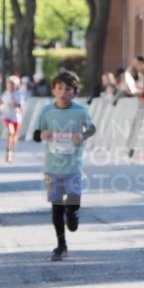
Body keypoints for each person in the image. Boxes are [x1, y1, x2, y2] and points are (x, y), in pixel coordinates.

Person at [33, 69, 96, 261]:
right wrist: (42, 135)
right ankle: (61, 245)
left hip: (74, 167)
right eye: (59, 88)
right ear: (53, 90)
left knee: (73, 204)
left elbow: (91, 128)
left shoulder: (80, 111)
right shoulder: (46, 111)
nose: (63, 92)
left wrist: (82, 136)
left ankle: (73, 214)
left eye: (68, 89)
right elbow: (36, 135)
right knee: (56, 207)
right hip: (52, 167)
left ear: (75, 92)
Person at [0, 76, 25, 163]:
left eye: (12, 85)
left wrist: (15, 103)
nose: (10, 87)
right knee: (11, 132)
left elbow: (20, 106)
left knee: (14, 137)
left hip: (16, 117)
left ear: (16, 86)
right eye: (9, 85)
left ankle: (11, 151)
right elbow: (1, 103)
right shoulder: (5, 94)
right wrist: (0, 108)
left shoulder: (19, 94)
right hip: (7, 116)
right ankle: (8, 149)